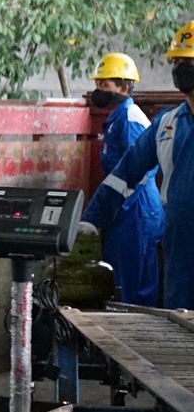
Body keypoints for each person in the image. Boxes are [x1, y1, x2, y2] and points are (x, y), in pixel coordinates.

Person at [83, 21, 194, 310]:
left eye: (190, 62)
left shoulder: (132, 118)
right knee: (178, 330)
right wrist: (90, 220)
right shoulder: (167, 124)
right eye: (178, 62)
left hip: (148, 221)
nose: (182, 69)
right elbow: (124, 174)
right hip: (180, 248)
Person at [84, 53, 163, 305]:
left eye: (105, 85)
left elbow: (138, 171)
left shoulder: (129, 119)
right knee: (128, 285)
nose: (99, 91)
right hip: (128, 212)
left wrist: (105, 213)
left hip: (135, 212)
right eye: (98, 85)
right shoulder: (117, 119)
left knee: (128, 290)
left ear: (125, 87)